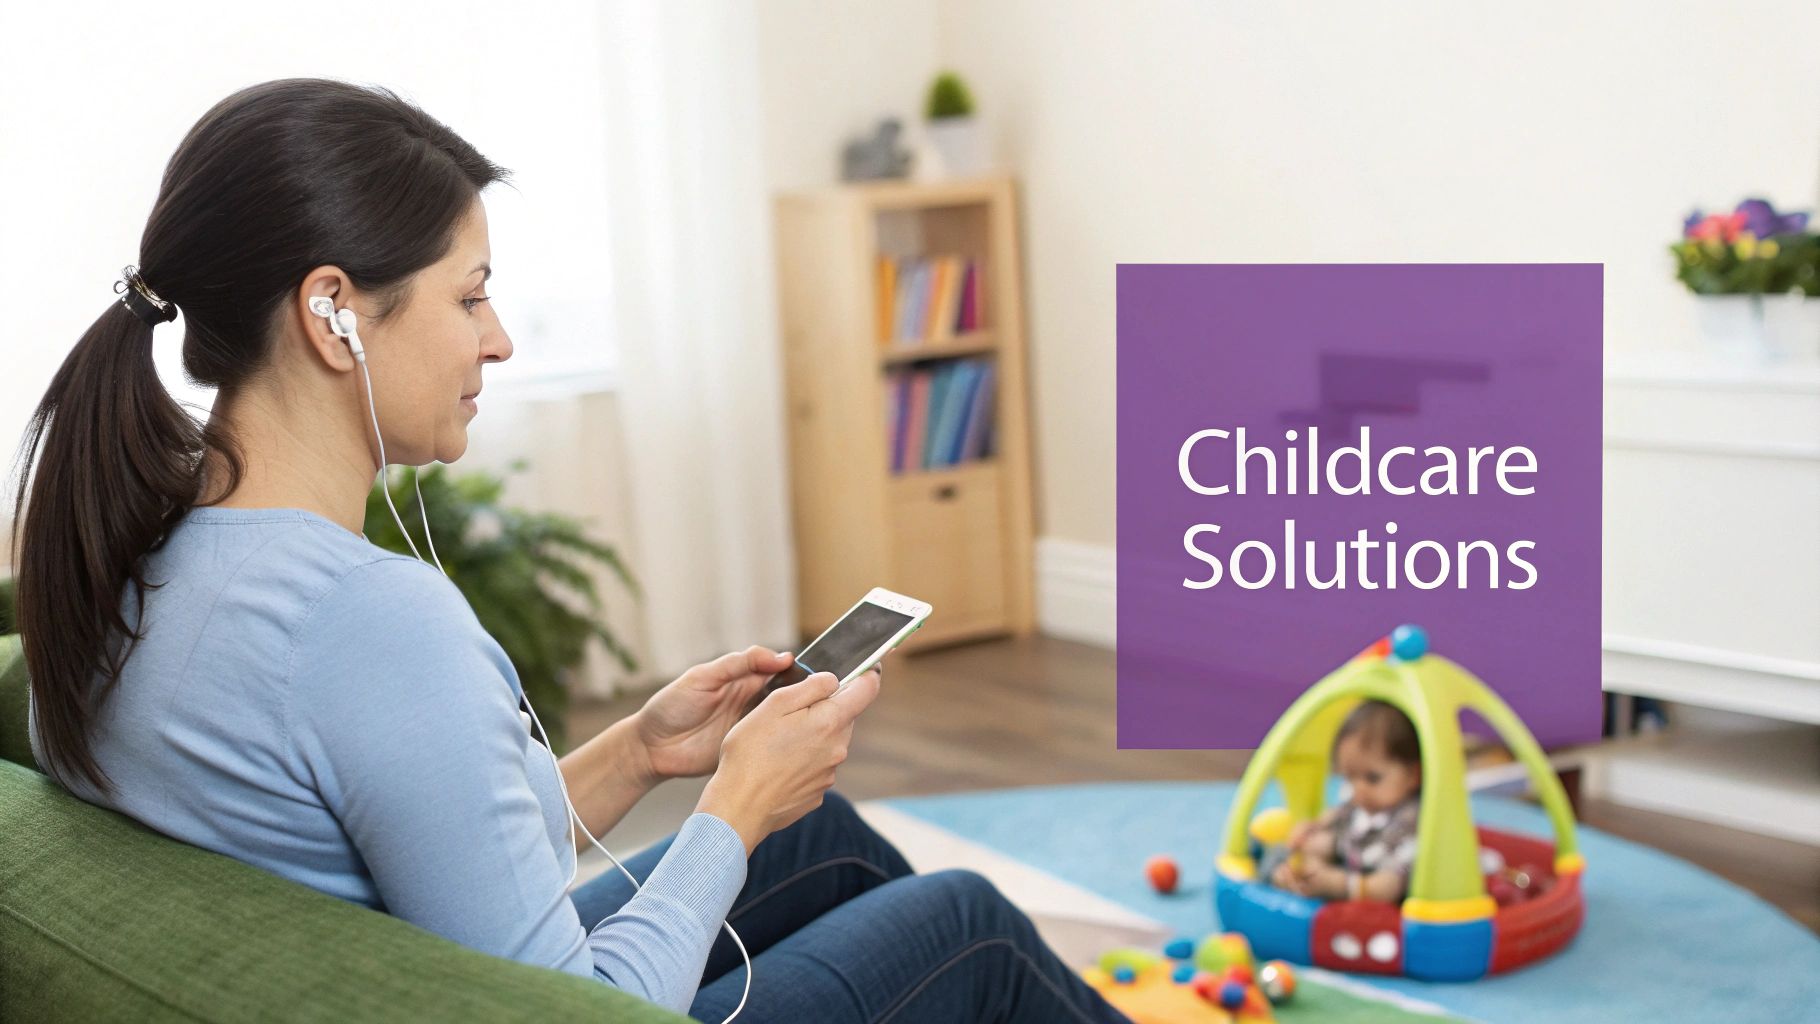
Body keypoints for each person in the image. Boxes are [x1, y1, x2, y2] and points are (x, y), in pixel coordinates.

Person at [10, 79, 1130, 1023]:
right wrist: (734, 804)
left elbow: (425, 832)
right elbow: (577, 1007)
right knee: (965, 925)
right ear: (332, 313)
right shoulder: (364, 622)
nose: (496, 339)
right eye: (470, 295)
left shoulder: (135, 558)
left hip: (413, 983)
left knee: (821, 837)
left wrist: (639, 752)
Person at [1267, 699, 1422, 903]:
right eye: (1350, 777)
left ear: (1413, 775)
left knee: (1387, 883)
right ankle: (1293, 878)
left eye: (1372, 778)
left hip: (1377, 881)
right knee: (1307, 846)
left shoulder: (1412, 818)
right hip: (1351, 853)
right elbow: (1339, 813)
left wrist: (1337, 883)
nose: (1358, 789)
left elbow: (1391, 886)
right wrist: (1312, 828)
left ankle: (1314, 883)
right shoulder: (1361, 797)